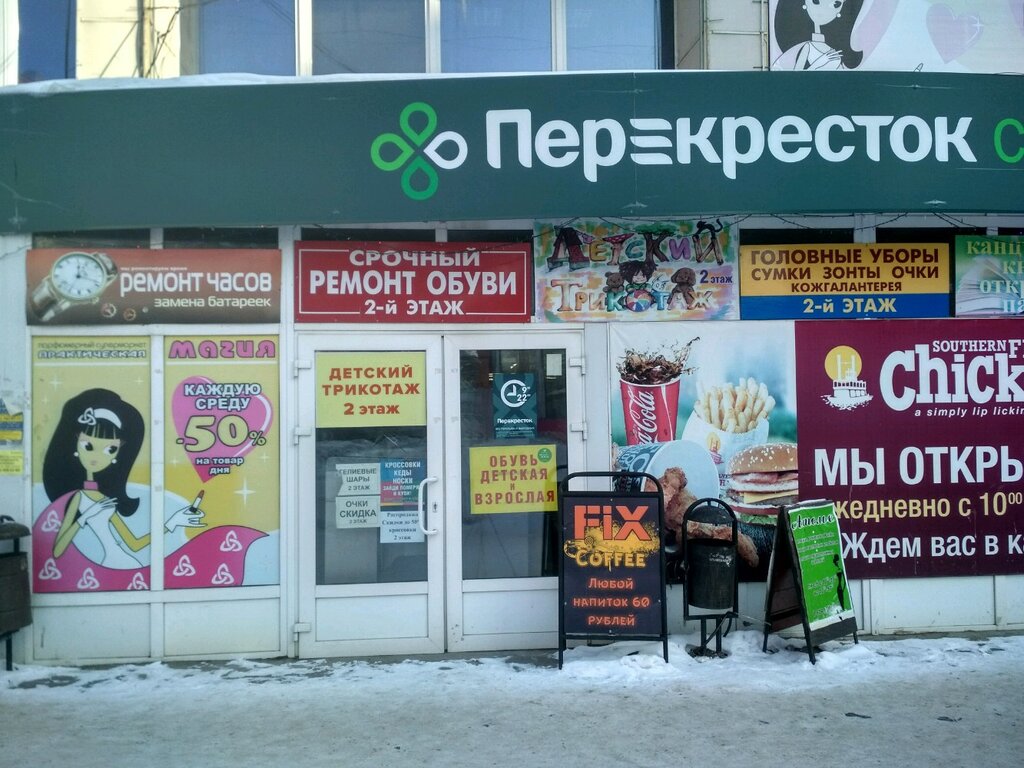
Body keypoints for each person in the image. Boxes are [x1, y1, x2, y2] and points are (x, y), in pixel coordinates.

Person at [773, 0, 865, 70]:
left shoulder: (836, 52)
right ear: (805, 4)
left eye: (835, 4)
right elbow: (797, 76)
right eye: (815, 1)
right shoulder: (807, 46)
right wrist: (820, 62)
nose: (823, 10)